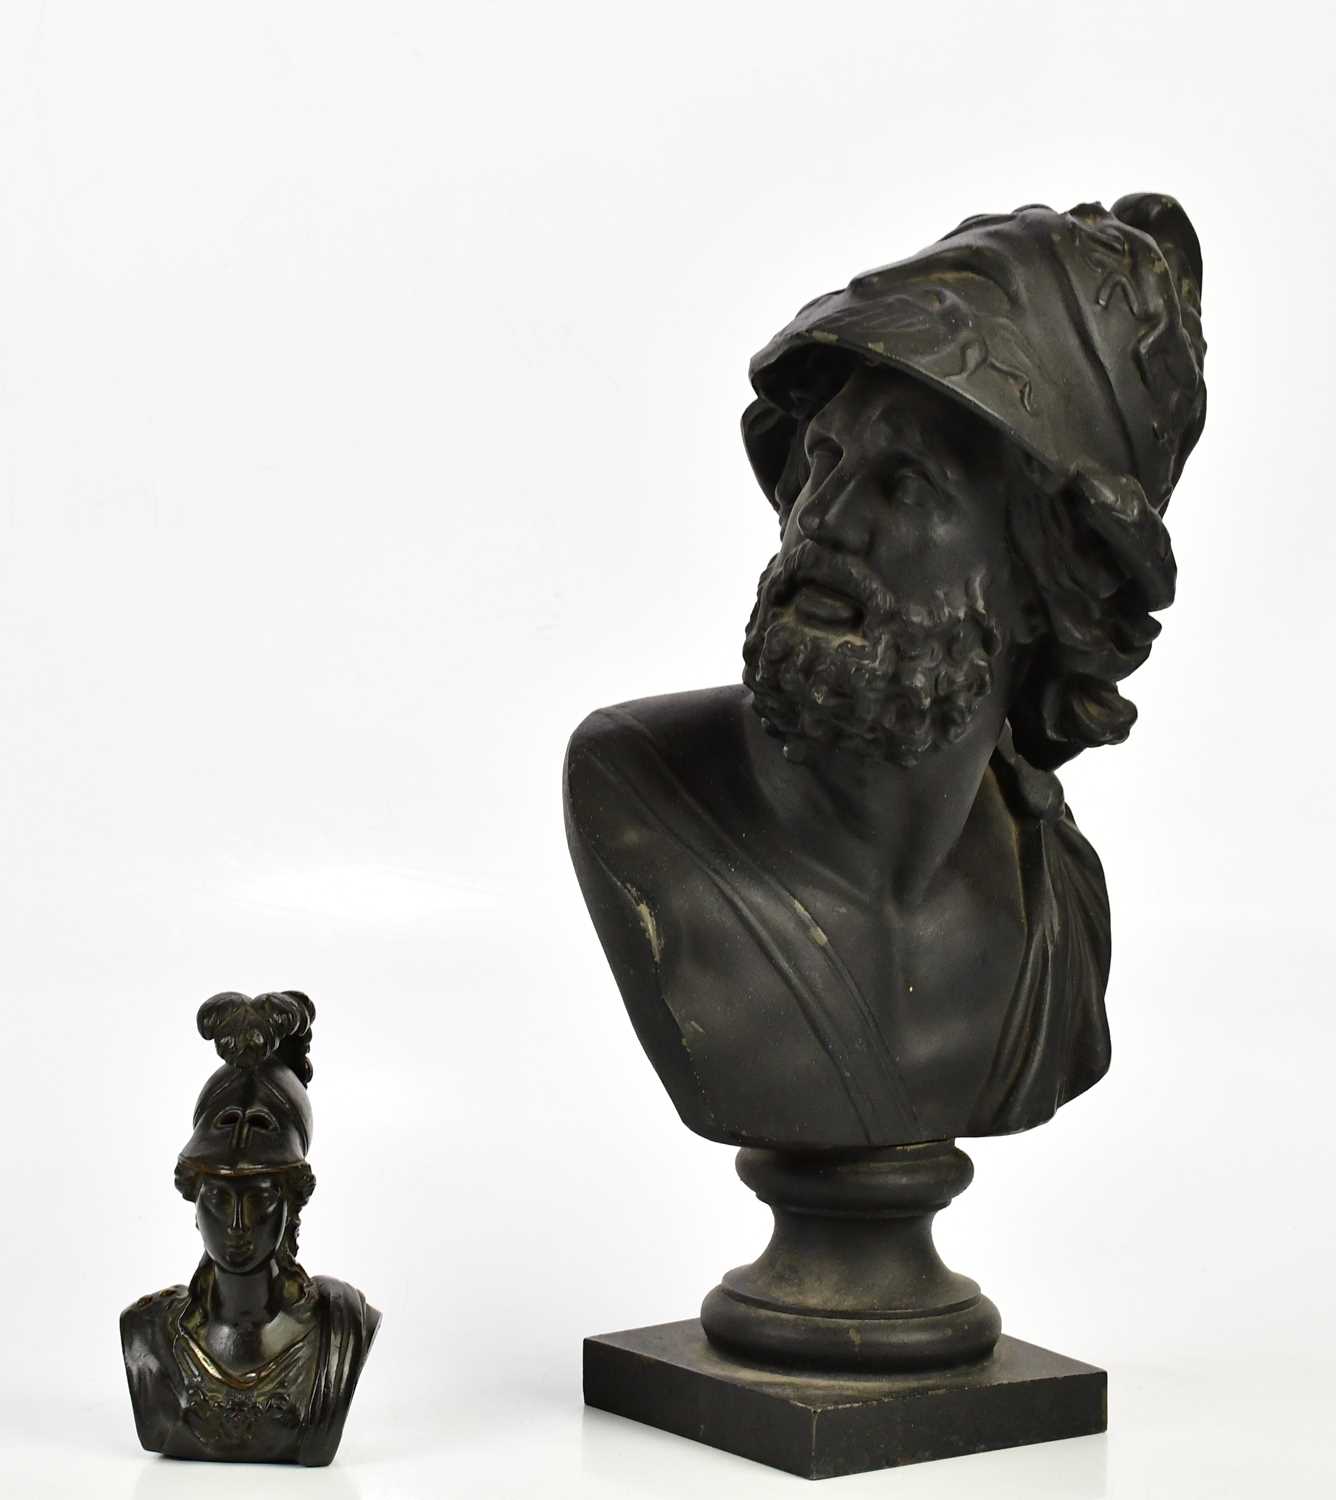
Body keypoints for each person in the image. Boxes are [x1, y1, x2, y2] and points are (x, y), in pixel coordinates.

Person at [565, 195, 1206, 1149]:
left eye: (906, 485)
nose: (823, 516)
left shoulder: (1056, 907)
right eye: (824, 457)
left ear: (1049, 579)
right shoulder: (638, 791)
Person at [120, 991, 379, 1466]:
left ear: (291, 1202)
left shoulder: (339, 1328)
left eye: (260, 1197)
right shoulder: (148, 1335)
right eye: (218, 1197)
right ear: (194, 1197)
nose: (237, 1223)